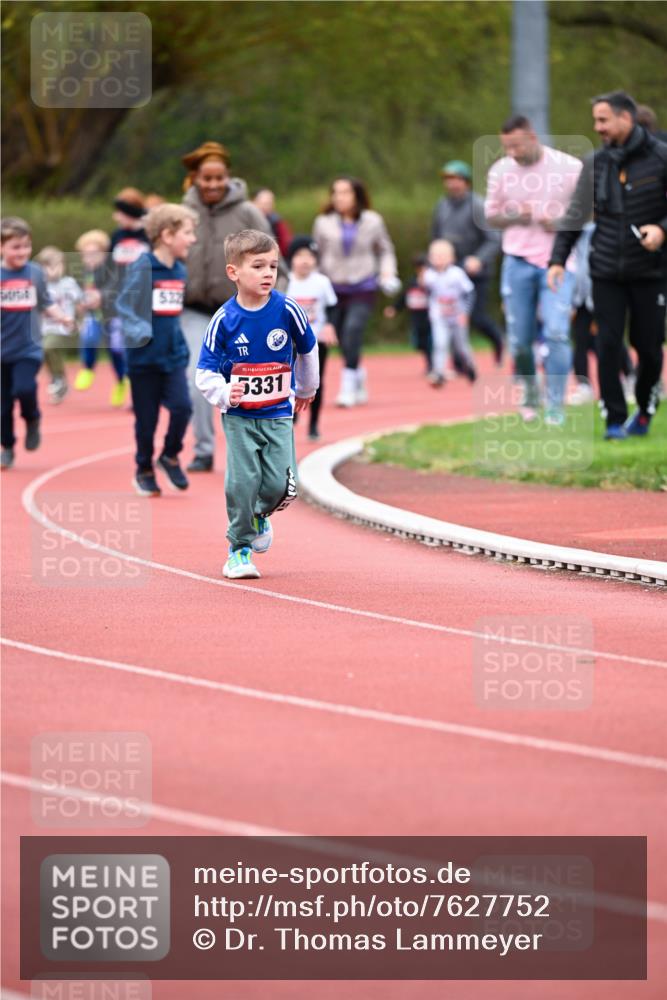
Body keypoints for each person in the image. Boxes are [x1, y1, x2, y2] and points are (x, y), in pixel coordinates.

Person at [195, 229, 318, 580]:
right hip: (239, 416)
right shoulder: (224, 320)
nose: (268, 274)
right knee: (242, 482)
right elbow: (204, 372)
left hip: (279, 411)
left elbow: (308, 349)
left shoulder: (287, 309)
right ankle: (239, 549)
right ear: (234, 273)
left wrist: (308, 387)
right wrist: (224, 393)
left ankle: (259, 513)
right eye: (258, 266)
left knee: (282, 486)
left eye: (273, 267)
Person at [548, 90, 667, 439]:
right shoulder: (594, 163)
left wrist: (661, 230)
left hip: (651, 271)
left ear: (625, 118)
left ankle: (644, 409)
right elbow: (574, 215)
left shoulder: (662, 158)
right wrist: (557, 259)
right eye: (595, 120)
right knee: (607, 344)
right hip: (605, 271)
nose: (597, 127)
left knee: (647, 347)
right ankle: (613, 419)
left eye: (603, 120)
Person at [180, 140, 284, 473]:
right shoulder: (184, 212)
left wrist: (276, 301)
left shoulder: (247, 212)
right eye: (206, 179)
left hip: (243, 310)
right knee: (197, 376)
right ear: (196, 178)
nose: (212, 185)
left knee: (251, 378)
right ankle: (203, 448)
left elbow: (270, 256)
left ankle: (257, 448)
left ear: (228, 178)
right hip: (195, 310)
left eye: (218, 178)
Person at [485, 115, 582, 425]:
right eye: (506, 147)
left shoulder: (569, 167)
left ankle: (556, 405)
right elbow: (491, 216)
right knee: (519, 340)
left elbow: (590, 209)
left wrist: (563, 222)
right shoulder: (501, 171)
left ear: (532, 137)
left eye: (516, 145)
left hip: (559, 261)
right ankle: (529, 391)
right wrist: (514, 215)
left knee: (556, 332)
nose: (512, 152)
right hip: (517, 260)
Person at [115, 204, 197, 497]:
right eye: (187, 233)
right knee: (146, 420)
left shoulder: (179, 269)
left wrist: (180, 343)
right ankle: (144, 469)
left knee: (183, 407)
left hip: (172, 356)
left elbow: (173, 314)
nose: (192, 239)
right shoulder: (144, 265)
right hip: (144, 359)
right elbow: (124, 304)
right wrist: (139, 330)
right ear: (166, 235)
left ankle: (170, 455)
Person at [313, 176, 400, 407]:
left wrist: (387, 273)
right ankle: (358, 374)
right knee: (340, 337)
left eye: (345, 192)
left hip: (363, 286)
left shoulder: (373, 221)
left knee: (353, 330)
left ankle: (348, 387)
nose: (339, 197)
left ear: (357, 195)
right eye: (336, 192)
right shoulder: (323, 222)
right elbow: (316, 255)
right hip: (333, 288)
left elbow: (385, 250)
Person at [1, 217, 69, 469]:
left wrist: (61, 317)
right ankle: (7, 447)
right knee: (2, 406)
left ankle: (32, 418)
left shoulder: (35, 273)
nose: (22, 252)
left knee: (24, 389)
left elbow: (45, 302)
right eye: (15, 247)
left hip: (27, 347)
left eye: (26, 246)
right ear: (1, 247)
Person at [431, 160, 504, 363]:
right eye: (448, 180)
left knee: (477, 317)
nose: (452, 184)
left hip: (476, 273)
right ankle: (458, 361)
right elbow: (435, 237)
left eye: (456, 179)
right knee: (450, 317)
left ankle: (497, 339)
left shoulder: (478, 205)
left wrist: (478, 259)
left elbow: (494, 239)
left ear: (466, 182)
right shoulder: (442, 205)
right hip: (450, 272)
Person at [286, 235, 337, 441]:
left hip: (316, 340)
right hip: (289, 342)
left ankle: (314, 424)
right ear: (291, 259)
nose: (305, 260)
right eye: (300, 256)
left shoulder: (322, 282)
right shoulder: (285, 281)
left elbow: (332, 307)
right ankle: (292, 417)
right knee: (289, 379)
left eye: (310, 256)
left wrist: (330, 326)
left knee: (315, 380)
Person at [73, 229, 128, 405]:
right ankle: (88, 368)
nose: (90, 258)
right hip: (94, 315)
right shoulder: (87, 272)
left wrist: (101, 297)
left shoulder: (113, 268)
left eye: (94, 254)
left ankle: (121, 381)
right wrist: (81, 303)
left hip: (114, 315)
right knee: (88, 337)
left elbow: (116, 287)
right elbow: (85, 293)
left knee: (116, 350)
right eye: (86, 255)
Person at [423, 239, 476, 386]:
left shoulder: (457, 274)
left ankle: (470, 367)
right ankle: (439, 373)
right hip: (439, 316)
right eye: (435, 256)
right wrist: (431, 311)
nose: (438, 259)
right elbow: (429, 294)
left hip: (457, 315)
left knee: (461, 347)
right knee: (440, 343)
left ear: (451, 258)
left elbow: (470, 293)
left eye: (442, 256)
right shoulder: (429, 275)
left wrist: (465, 313)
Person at [34, 246, 83, 404]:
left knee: (49, 347)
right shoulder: (39, 284)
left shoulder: (68, 283)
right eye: (50, 266)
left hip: (63, 326)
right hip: (43, 326)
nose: (54, 270)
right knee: (45, 352)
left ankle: (58, 379)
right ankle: (58, 379)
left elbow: (79, 303)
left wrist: (80, 321)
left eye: (58, 265)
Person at [384, 253, 433, 376]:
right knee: (419, 343)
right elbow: (403, 298)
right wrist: (394, 308)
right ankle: (430, 363)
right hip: (416, 318)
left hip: (431, 318)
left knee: (432, 343)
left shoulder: (433, 283)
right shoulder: (412, 282)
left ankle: (432, 365)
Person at [253, 188, 293, 257]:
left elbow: (287, 245)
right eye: (263, 203)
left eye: (269, 203)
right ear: (254, 202)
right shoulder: (247, 220)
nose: (265, 207)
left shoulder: (278, 223)